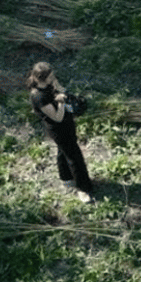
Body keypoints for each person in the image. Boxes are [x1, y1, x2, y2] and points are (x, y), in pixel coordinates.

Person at [28, 62, 94, 203]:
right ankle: (83, 188)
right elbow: (57, 117)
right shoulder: (38, 97)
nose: (54, 77)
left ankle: (66, 178)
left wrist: (59, 88)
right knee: (75, 157)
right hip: (59, 129)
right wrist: (61, 102)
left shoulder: (49, 85)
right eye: (51, 76)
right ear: (42, 78)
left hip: (67, 124)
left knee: (62, 152)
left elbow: (62, 90)